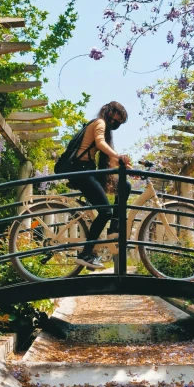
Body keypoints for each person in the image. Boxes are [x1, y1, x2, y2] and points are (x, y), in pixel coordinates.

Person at [72, 101, 131, 270]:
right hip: (81, 171)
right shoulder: (99, 123)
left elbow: (108, 156)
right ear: (110, 113)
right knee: (105, 211)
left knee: (124, 186)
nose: (117, 123)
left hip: (87, 170)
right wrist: (118, 155)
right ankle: (86, 254)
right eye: (118, 118)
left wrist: (127, 166)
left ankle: (114, 226)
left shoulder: (105, 127)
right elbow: (99, 143)